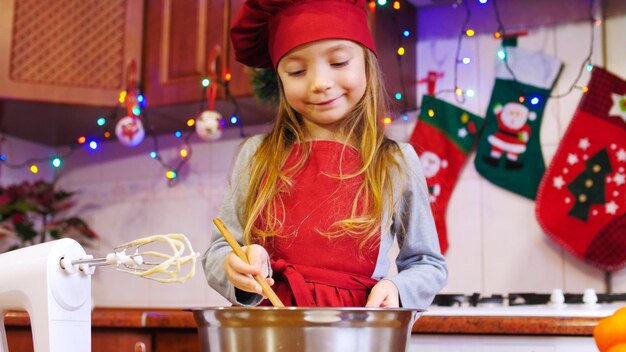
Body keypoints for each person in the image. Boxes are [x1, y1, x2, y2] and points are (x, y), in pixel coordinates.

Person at [202, 0, 447, 308]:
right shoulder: (256, 155)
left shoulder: (396, 161)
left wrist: (398, 288)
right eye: (297, 70)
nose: (320, 83)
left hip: (358, 333)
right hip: (269, 333)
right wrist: (234, 268)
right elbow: (219, 250)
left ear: (367, 63)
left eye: (339, 62)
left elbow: (427, 262)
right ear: (280, 79)